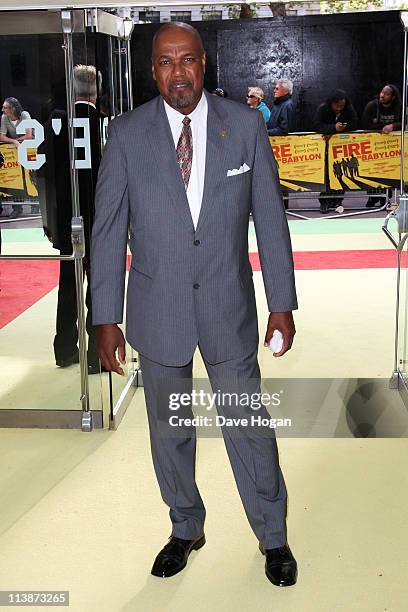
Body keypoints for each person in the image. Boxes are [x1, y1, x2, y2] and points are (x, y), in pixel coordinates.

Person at [91, 22, 298, 587]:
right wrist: (104, 316)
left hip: (228, 306)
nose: (177, 72)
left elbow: (271, 223)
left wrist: (282, 301)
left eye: (187, 61)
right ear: (151, 69)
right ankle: (186, 527)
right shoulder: (126, 135)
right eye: (165, 62)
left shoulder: (245, 125)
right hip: (158, 310)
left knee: (247, 424)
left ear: (203, 65)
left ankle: (273, 535)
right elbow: (108, 233)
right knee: (170, 429)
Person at [41, 65, 102, 374]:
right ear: (96, 89)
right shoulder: (101, 125)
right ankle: (96, 354)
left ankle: (64, 349)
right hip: (96, 219)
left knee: (68, 286)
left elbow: (46, 174)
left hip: (66, 219)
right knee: (98, 288)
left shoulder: (58, 124)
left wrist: (51, 222)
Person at [314, 89, 358, 213]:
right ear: (331, 103)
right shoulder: (323, 109)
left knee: (340, 173)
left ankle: (338, 200)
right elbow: (317, 126)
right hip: (326, 150)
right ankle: (324, 201)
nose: (339, 108)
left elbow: (355, 123)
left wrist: (337, 131)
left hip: (342, 149)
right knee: (327, 175)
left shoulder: (348, 109)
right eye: (337, 106)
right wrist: (333, 128)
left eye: (342, 106)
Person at [362, 84, 402, 207]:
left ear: (393, 97)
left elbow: (404, 122)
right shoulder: (372, 106)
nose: (382, 95)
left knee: (388, 170)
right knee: (371, 170)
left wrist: (393, 126)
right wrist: (382, 128)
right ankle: (372, 197)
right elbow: (364, 124)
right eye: (382, 92)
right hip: (373, 144)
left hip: (391, 146)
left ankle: (386, 198)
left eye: (386, 94)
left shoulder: (399, 107)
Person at [0, 97, 33, 219]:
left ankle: (35, 205)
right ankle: (17, 208)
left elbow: (29, 135)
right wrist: (14, 141)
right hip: (16, 150)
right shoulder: (4, 118)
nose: (3, 110)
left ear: (13, 108)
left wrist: (17, 141)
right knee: (15, 178)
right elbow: (1, 137)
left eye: (5, 107)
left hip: (30, 148)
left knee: (31, 176)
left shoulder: (25, 115)